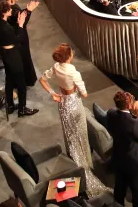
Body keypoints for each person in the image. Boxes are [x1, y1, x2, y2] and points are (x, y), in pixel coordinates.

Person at [38, 44, 102, 196]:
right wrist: (81, 89)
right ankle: (83, 165)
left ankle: (74, 163)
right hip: (74, 104)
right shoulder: (74, 73)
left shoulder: (56, 67)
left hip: (63, 103)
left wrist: (53, 93)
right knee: (80, 134)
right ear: (69, 56)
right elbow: (84, 94)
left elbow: (42, 80)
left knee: (69, 135)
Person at [106, 91, 138, 207]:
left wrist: (133, 111)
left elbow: (123, 122)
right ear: (129, 105)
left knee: (119, 187)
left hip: (118, 157)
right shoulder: (134, 124)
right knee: (137, 192)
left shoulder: (111, 113)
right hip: (133, 163)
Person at [0, 4, 39, 117]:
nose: (11, 10)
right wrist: (21, 25)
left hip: (6, 54)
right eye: (8, 9)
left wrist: (18, 25)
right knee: (21, 83)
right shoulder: (6, 27)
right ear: (4, 13)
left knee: (9, 80)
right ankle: (22, 109)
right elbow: (18, 38)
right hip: (12, 55)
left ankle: (10, 105)